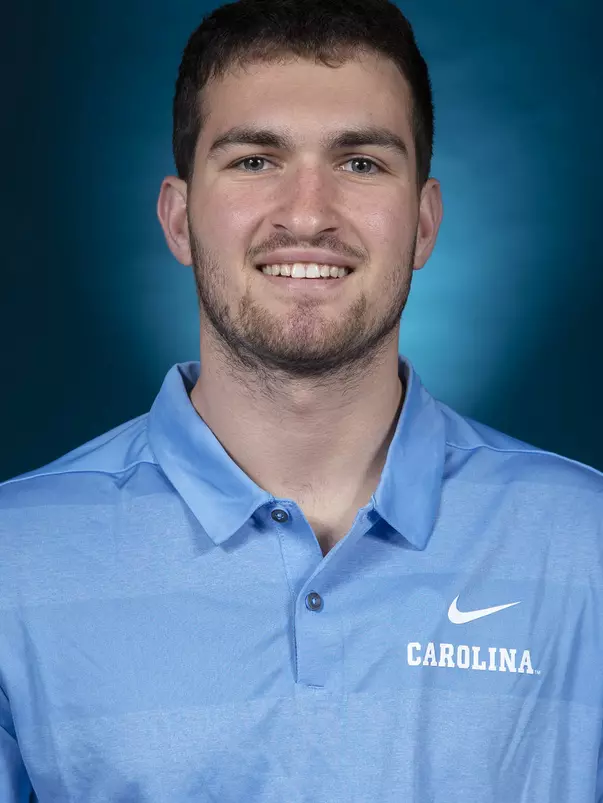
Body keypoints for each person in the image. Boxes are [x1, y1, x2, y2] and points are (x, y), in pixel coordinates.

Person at [1, 0, 602, 799]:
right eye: (255, 160)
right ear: (179, 220)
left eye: (360, 163)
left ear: (423, 223)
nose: (308, 214)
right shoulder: (16, 561)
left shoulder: (584, 544)